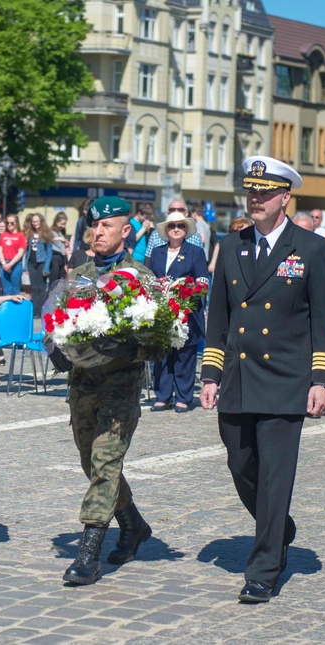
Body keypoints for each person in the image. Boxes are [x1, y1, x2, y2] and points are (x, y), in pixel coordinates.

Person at [200, 156, 325, 603]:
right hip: (238, 378)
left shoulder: (310, 248)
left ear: (285, 197)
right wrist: (210, 373)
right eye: (251, 191)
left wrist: (321, 379)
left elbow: (323, 321)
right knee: (241, 465)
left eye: (265, 192)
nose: (255, 199)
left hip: (285, 379)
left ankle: (264, 567)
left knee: (277, 476)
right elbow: (218, 316)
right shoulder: (231, 244)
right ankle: (280, 525)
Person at [47, 196, 154, 586]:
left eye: (107, 226)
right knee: (92, 463)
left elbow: (160, 341)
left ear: (126, 231)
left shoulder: (139, 277)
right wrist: (57, 347)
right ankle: (134, 525)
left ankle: (88, 554)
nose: (98, 232)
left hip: (120, 386)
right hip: (82, 384)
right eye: (95, 226)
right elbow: (58, 317)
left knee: (106, 463)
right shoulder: (79, 273)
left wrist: (132, 347)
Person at [148, 210, 208, 413]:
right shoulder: (157, 252)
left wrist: (185, 289)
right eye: (172, 226)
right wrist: (158, 284)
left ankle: (183, 396)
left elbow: (203, 281)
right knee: (162, 356)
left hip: (186, 313)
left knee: (184, 356)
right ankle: (162, 396)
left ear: (186, 229)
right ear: (166, 230)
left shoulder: (195, 252)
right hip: (163, 312)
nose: (176, 229)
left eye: (180, 226)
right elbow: (150, 279)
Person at [23, 212, 54, 316]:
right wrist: (26, 266)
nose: (35, 223)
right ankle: (35, 311)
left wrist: (46, 268)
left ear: (41, 221)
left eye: (37, 221)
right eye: (33, 221)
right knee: (34, 288)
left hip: (42, 263)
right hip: (31, 262)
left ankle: (42, 310)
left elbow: (49, 253)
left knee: (41, 287)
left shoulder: (46, 234)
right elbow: (27, 252)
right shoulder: (30, 234)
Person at [0, 213, 26, 295]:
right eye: (7, 223)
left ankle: (15, 307)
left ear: (16, 223)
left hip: (16, 264)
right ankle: (6, 307)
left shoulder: (20, 236)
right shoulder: (3, 235)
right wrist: (4, 264)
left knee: (15, 289)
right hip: (4, 263)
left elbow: (20, 253)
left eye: (12, 223)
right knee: (6, 290)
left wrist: (10, 264)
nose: (9, 225)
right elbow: (0, 250)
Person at [49, 212, 70, 284]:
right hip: (54, 256)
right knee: (54, 279)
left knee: (61, 279)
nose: (63, 226)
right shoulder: (51, 231)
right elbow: (48, 239)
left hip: (62, 257)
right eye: (62, 223)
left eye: (64, 224)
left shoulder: (61, 232)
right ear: (56, 221)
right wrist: (59, 239)